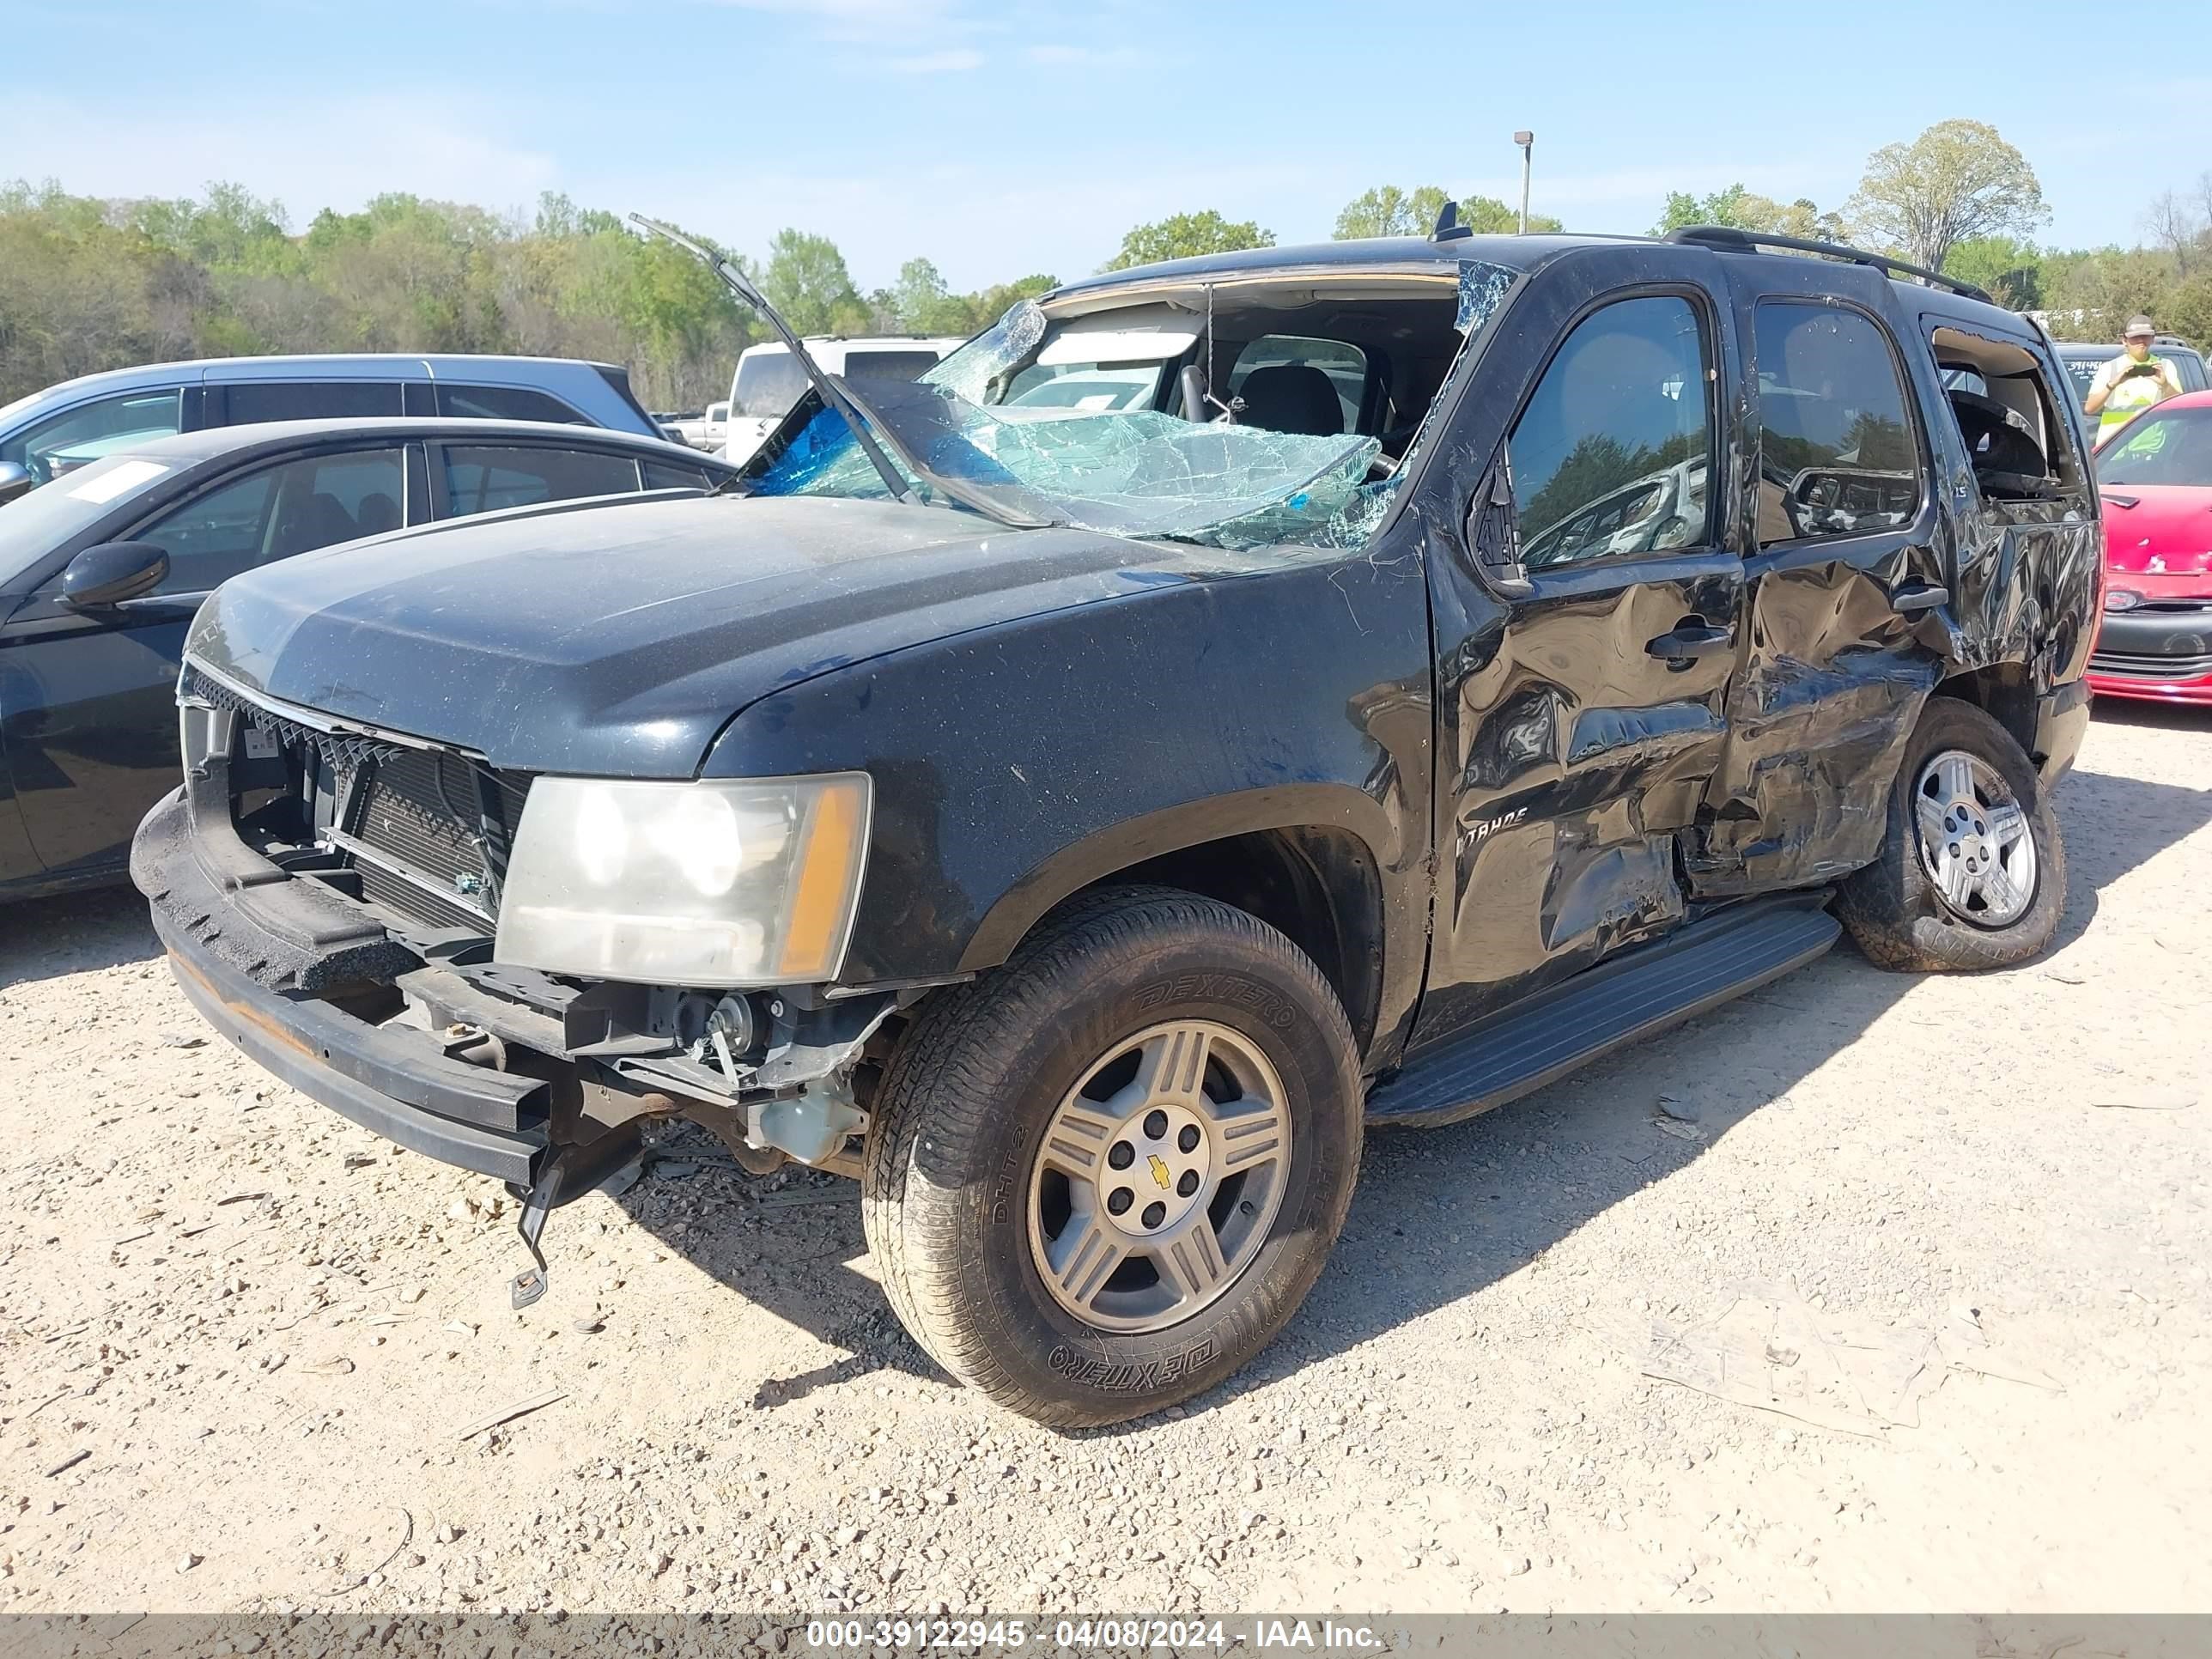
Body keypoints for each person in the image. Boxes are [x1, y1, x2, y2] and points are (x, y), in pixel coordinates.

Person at [2084, 316, 2185, 439]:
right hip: (2114, 448)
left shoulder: (2165, 366)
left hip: (2152, 448)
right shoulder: (2110, 368)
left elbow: (2180, 406)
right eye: (2135, 337)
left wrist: (2165, 385)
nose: (2141, 340)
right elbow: (2090, 409)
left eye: (2146, 336)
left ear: (2153, 339)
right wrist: (2112, 385)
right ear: (2124, 341)